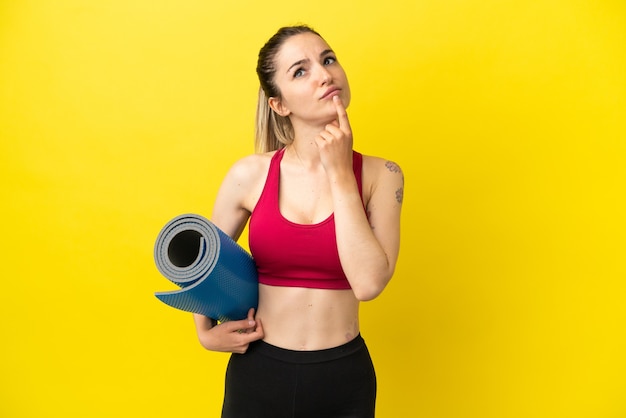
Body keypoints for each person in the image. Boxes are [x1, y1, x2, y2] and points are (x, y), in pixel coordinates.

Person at [192, 25, 403, 418]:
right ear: (279, 105)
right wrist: (205, 333)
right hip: (258, 375)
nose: (325, 74)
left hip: (343, 379)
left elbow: (370, 283)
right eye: (300, 71)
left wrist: (340, 174)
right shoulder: (249, 175)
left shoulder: (382, 175)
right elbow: (204, 267)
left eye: (328, 59)